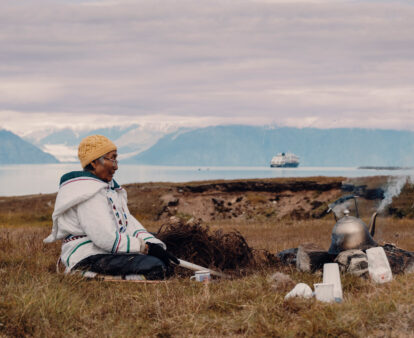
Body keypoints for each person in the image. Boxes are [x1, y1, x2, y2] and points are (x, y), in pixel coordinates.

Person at [44, 135, 178, 280]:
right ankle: (82, 273)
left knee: (163, 256)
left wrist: (154, 244)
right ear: (95, 162)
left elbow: (129, 225)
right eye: (112, 159)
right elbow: (105, 238)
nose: (116, 166)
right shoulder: (87, 193)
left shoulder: (108, 190)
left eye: (116, 159)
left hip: (104, 251)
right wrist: (146, 248)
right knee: (157, 267)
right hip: (87, 255)